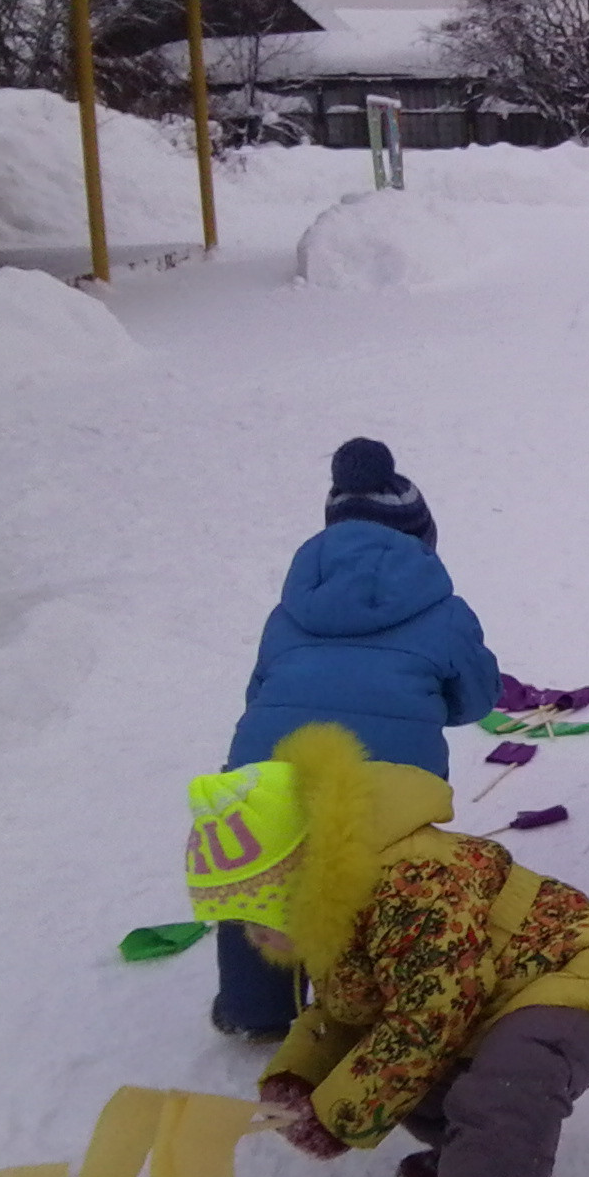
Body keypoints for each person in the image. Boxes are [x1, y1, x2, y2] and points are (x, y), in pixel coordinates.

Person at [186, 722, 589, 1177]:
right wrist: (300, 1076)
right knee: (405, 1067)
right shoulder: (341, 898)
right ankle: (480, 1170)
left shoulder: (417, 883)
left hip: (574, 977)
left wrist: (340, 1115)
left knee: (502, 1087)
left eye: (261, 916)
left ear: (301, 882)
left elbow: (428, 1019)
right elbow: (348, 1009)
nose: (259, 940)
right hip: (480, 992)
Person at [212, 437, 501, 1041]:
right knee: (380, 879)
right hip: (386, 778)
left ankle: (255, 1006)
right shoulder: (445, 612)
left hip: (268, 767)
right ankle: (377, 994)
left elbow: (256, 693)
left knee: (259, 878)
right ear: (423, 541)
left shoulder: (288, 611)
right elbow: (476, 699)